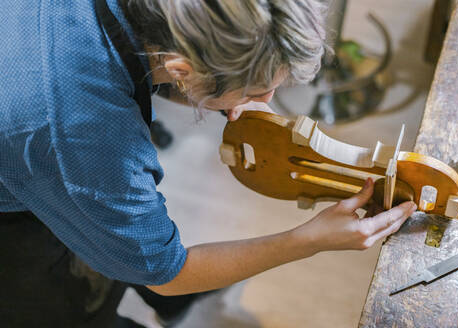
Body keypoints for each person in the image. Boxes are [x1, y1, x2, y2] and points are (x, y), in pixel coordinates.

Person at [0, 0, 417, 327]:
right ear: (183, 69)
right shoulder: (89, 140)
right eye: (257, 89)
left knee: (125, 241)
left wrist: (220, 93)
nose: (267, 101)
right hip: (17, 204)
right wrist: (308, 240)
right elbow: (169, 274)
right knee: (75, 307)